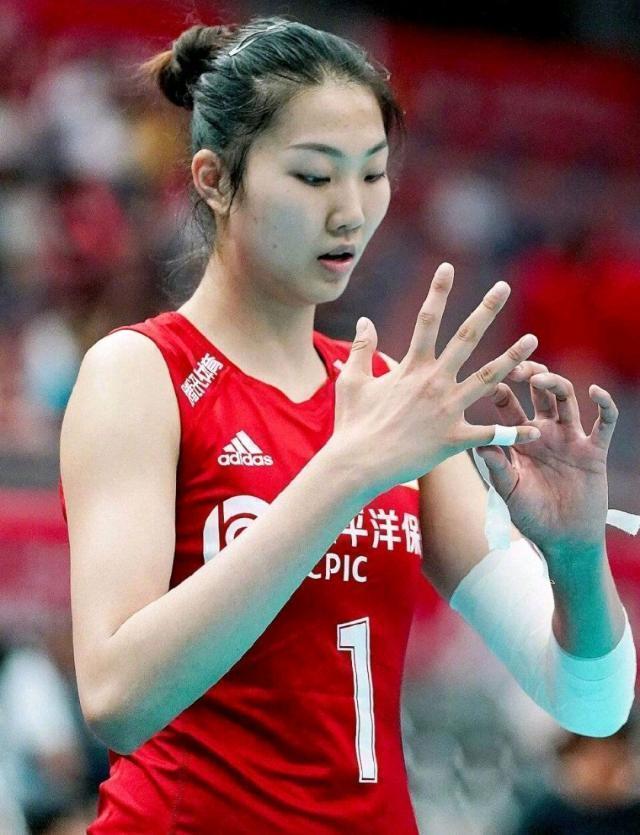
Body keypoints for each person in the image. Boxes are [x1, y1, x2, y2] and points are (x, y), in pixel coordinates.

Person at [59, 16, 635, 833]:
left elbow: (591, 704)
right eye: (314, 176)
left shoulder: (396, 408)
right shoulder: (140, 374)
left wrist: (575, 557)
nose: (351, 212)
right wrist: (344, 474)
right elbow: (117, 697)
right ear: (215, 179)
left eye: (372, 174)